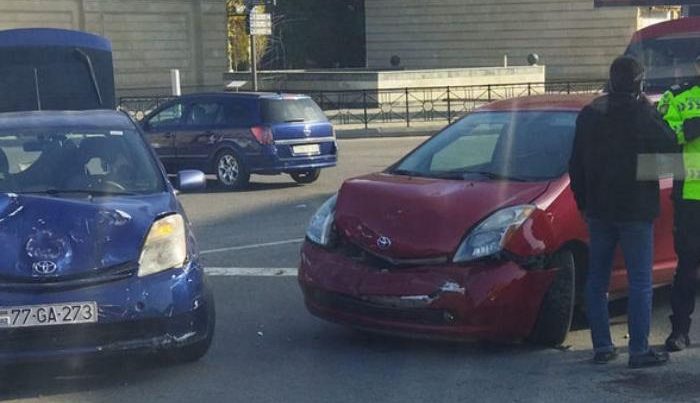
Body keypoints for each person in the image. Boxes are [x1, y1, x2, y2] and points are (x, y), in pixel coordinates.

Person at [569, 55, 677, 368]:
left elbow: (575, 163)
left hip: (598, 210)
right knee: (640, 282)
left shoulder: (590, 113)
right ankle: (639, 351)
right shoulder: (642, 112)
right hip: (635, 210)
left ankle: (602, 347)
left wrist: (582, 202)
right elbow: (670, 145)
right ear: (638, 82)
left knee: (596, 280)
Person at [657, 55, 700, 352]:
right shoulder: (677, 96)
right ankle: (680, 331)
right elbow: (664, 139)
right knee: (687, 267)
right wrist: (692, 128)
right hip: (690, 196)